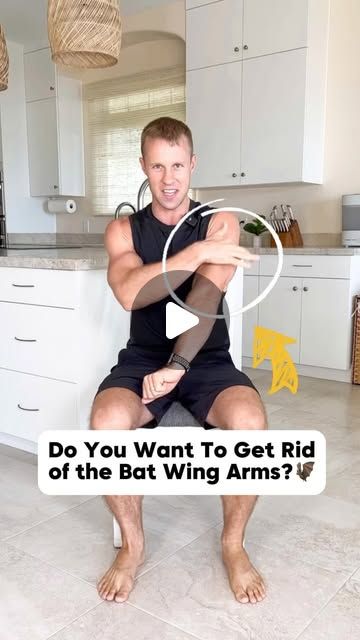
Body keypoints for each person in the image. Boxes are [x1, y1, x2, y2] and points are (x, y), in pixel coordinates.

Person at [90, 116, 268, 605]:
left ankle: (233, 546)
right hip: (142, 356)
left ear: (193, 165)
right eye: (157, 166)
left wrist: (179, 367)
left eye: (177, 165)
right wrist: (195, 252)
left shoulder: (220, 222)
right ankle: (133, 547)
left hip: (205, 357)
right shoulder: (123, 230)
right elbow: (130, 293)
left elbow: (206, 297)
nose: (169, 179)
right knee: (105, 423)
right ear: (143, 167)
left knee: (250, 423)